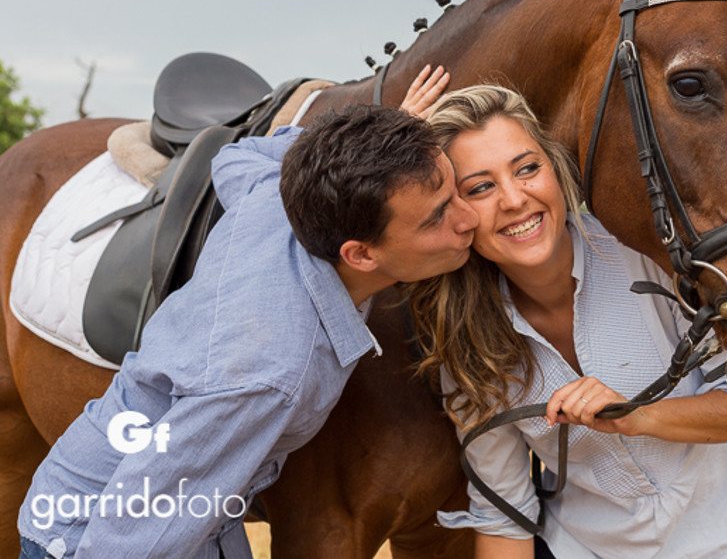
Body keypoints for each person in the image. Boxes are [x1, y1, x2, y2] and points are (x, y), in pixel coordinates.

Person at [17, 67, 477, 559]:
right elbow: (133, 537)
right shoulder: (270, 373)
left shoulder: (279, 201)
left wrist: (378, 149)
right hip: (98, 531)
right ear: (360, 255)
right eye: (437, 217)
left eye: (455, 194)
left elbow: (241, 153)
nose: (468, 218)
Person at [408, 85, 727, 559]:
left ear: (554, 169)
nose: (514, 199)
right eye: (480, 187)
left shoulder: (649, 255)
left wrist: (640, 416)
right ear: (456, 213)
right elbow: (504, 514)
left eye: (527, 168)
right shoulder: (467, 340)